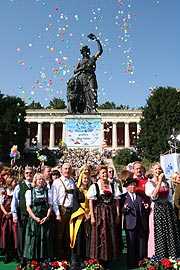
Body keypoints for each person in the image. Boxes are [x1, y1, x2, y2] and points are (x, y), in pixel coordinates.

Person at [87, 165, 121, 269]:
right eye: (103, 173)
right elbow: (91, 202)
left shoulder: (112, 185)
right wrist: (92, 216)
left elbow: (116, 201)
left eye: (106, 172)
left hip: (110, 213)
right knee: (99, 235)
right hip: (99, 213)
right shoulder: (95, 186)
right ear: (99, 175)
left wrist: (118, 214)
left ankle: (109, 258)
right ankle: (100, 259)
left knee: (109, 235)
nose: (105, 174)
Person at [145, 162, 180, 258]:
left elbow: (169, 198)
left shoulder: (166, 182)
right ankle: (159, 256)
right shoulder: (149, 183)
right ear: (152, 171)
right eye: (156, 169)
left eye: (159, 169)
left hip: (167, 209)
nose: (158, 171)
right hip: (157, 209)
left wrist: (173, 212)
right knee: (158, 232)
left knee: (169, 231)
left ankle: (171, 255)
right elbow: (153, 195)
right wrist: (159, 182)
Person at [67, 33, 103, 114]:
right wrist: (82, 68)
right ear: (82, 53)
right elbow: (75, 71)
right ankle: (80, 109)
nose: (85, 53)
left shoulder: (92, 59)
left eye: (86, 51)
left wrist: (96, 40)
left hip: (90, 77)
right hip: (81, 78)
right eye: (83, 51)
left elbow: (100, 51)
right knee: (81, 95)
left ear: (89, 52)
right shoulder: (80, 62)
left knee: (92, 91)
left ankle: (93, 108)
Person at [23, 173, 53, 261]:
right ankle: (33, 259)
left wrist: (47, 217)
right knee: (34, 238)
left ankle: (44, 258)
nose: (41, 181)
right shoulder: (29, 192)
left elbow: (50, 206)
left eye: (42, 179)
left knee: (45, 237)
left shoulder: (48, 192)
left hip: (45, 218)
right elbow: (28, 207)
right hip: (34, 219)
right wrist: (35, 218)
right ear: (35, 181)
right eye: (39, 179)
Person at [121, 178, 149, 269]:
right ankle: (131, 263)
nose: (133, 187)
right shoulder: (123, 197)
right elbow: (121, 209)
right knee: (131, 244)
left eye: (134, 185)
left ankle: (141, 261)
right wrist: (125, 209)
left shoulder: (140, 196)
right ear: (127, 187)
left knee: (141, 243)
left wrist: (146, 207)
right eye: (130, 185)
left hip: (141, 222)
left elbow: (145, 206)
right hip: (130, 223)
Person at [11, 166, 34, 266]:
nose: (29, 174)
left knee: (32, 237)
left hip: (33, 217)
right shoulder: (19, 186)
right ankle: (21, 257)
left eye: (30, 173)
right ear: (24, 174)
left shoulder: (36, 185)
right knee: (21, 236)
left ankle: (30, 257)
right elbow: (14, 202)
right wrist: (14, 214)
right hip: (23, 215)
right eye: (27, 173)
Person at [52, 163, 75, 260]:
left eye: (69, 169)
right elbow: (54, 199)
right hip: (62, 210)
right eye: (65, 169)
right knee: (60, 234)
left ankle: (68, 254)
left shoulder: (72, 181)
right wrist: (57, 213)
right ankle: (58, 255)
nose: (67, 170)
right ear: (61, 170)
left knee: (69, 233)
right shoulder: (57, 182)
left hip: (71, 210)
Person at [69, 171, 91, 263]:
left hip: (89, 215)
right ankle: (77, 257)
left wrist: (90, 214)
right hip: (79, 216)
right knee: (79, 236)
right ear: (81, 179)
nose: (86, 180)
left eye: (87, 178)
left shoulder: (91, 189)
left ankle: (87, 256)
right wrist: (84, 214)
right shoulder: (77, 190)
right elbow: (76, 203)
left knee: (88, 236)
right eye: (84, 178)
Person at [0, 176, 18, 263]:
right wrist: (5, 213)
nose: (16, 183)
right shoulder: (4, 192)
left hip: (13, 215)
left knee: (15, 234)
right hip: (6, 217)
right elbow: (1, 204)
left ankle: (15, 254)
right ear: (10, 183)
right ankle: (7, 254)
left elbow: (17, 204)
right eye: (15, 181)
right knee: (5, 234)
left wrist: (12, 212)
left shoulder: (16, 192)